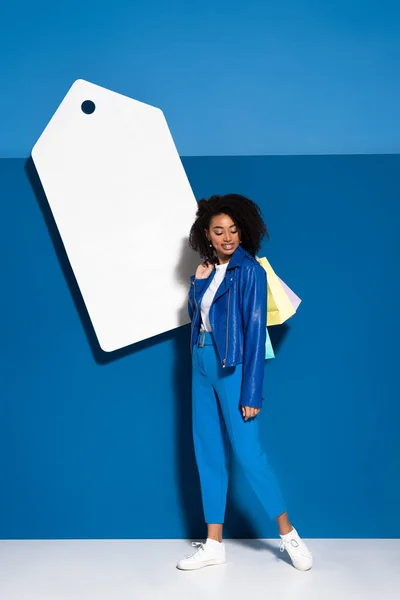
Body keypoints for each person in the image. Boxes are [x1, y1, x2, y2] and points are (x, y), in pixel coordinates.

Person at [176, 194, 313, 572]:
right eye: (219, 231)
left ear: (243, 232)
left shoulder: (250, 271)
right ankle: (213, 543)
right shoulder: (206, 270)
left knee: (249, 454)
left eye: (233, 231)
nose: (227, 238)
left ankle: (288, 535)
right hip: (200, 363)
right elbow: (200, 318)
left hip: (231, 366)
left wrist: (251, 391)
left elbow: (254, 333)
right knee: (207, 451)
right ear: (206, 233)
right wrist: (198, 285)